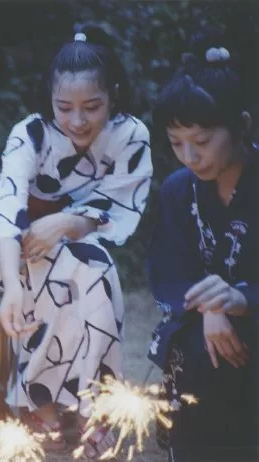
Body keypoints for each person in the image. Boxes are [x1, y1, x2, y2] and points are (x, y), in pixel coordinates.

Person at [0, 25, 153, 458]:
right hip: (9, 245)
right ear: (48, 100)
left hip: (77, 244)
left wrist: (66, 222)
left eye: (92, 106)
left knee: (95, 269)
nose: (77, 120)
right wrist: (12, 284)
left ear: (114, 96)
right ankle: (44, 402)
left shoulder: (130, 136)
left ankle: (94, 406)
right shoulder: (30, 133)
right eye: (64, 107)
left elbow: (121, 203)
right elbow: (7, 199)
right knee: (62, 269)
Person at [147, 27, 257, 462]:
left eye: (202, 141)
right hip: (205, 322)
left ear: (241, 125)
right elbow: (170, 270)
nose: (190, 158)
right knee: (197, 348)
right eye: (177, 144)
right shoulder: (177, 190)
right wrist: (212, 307)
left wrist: (241, 299)